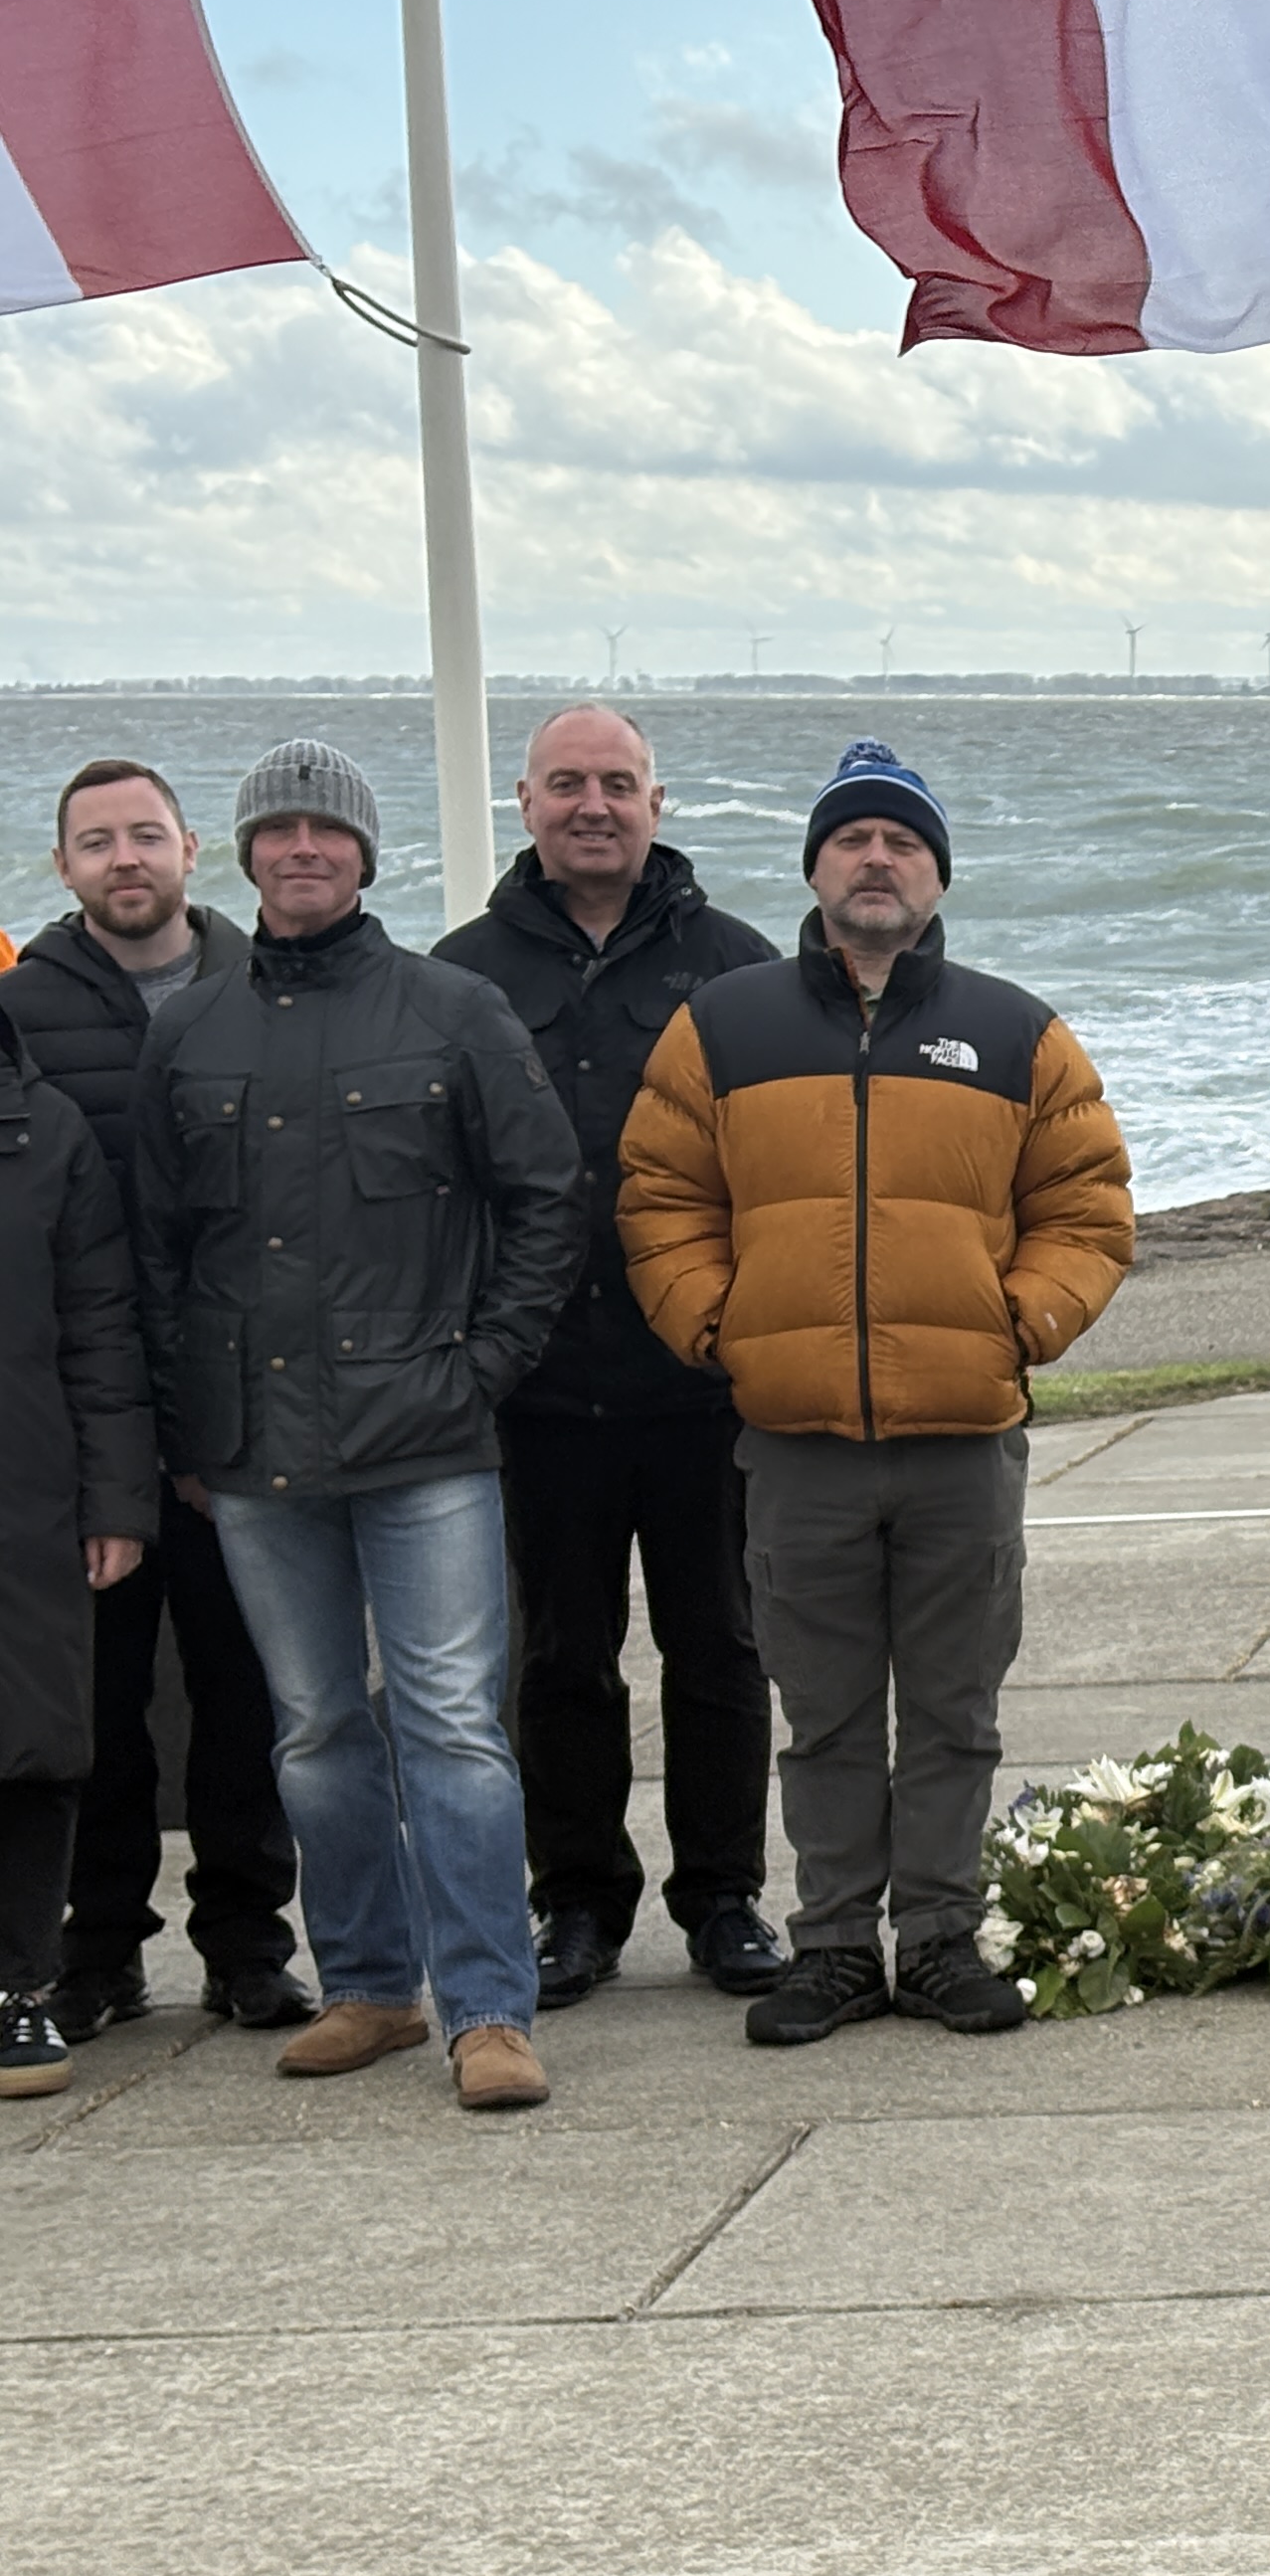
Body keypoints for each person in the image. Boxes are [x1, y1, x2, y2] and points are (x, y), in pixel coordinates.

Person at [621, 742, 1134, 2049]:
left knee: (955, 1710)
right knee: (827, 1713)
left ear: (937, 874)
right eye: (852, 838)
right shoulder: (724, 1027)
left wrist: (1022, 1322)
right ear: (814, 866)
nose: (876, 857)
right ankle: (838, 1944)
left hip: (965, 1437)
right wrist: (721, 1327)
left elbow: (1085, 1208)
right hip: (795, 1444)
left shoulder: (1017, 1031)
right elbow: (662, 1198)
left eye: (903, 841)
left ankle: (946, 1935)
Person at [131, 742, 587, 2110]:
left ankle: (490, 2008)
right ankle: (375, 1989)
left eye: (326, 830)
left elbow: (547, 1198)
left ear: (365, 853)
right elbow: (160, 1253)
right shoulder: (188, 1032)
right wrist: (191, 1429)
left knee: (450, 1723)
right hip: (257, 1450)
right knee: (317, 1729)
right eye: (278, 831)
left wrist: (483, 1366)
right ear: (248, 855)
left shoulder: (454, 1010)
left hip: (428, 1438)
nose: (302, 850)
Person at [433, 708, 784, 2008]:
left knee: (720, 1649)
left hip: (701, 1388)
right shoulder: (461, 977)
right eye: (568, 783)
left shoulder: (741, 968)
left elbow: (791, 1174)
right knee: (558, 1662)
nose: (595, 804)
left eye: (618, 784)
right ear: (524, 802)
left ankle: (728, 1900)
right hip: (535, 1393)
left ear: (657, 801)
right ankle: (576, 1902)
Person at [2, 763, 304, 2041]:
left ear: (190, 849)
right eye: (94, 842)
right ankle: (99, 1945)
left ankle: (246, 1938)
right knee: (95, 1701)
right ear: (63, 867)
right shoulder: (22, 1008)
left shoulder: (264, 988)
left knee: (247, 1691)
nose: (124, 859)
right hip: (81, 1413)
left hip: (245, 1400)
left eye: (144, 836)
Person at [0, 996, 156, 2100]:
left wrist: (115, 1497)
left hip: (30, 1488)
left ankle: (18, 1986)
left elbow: (99, 1325)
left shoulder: (43, 1129)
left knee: (34, 1741)